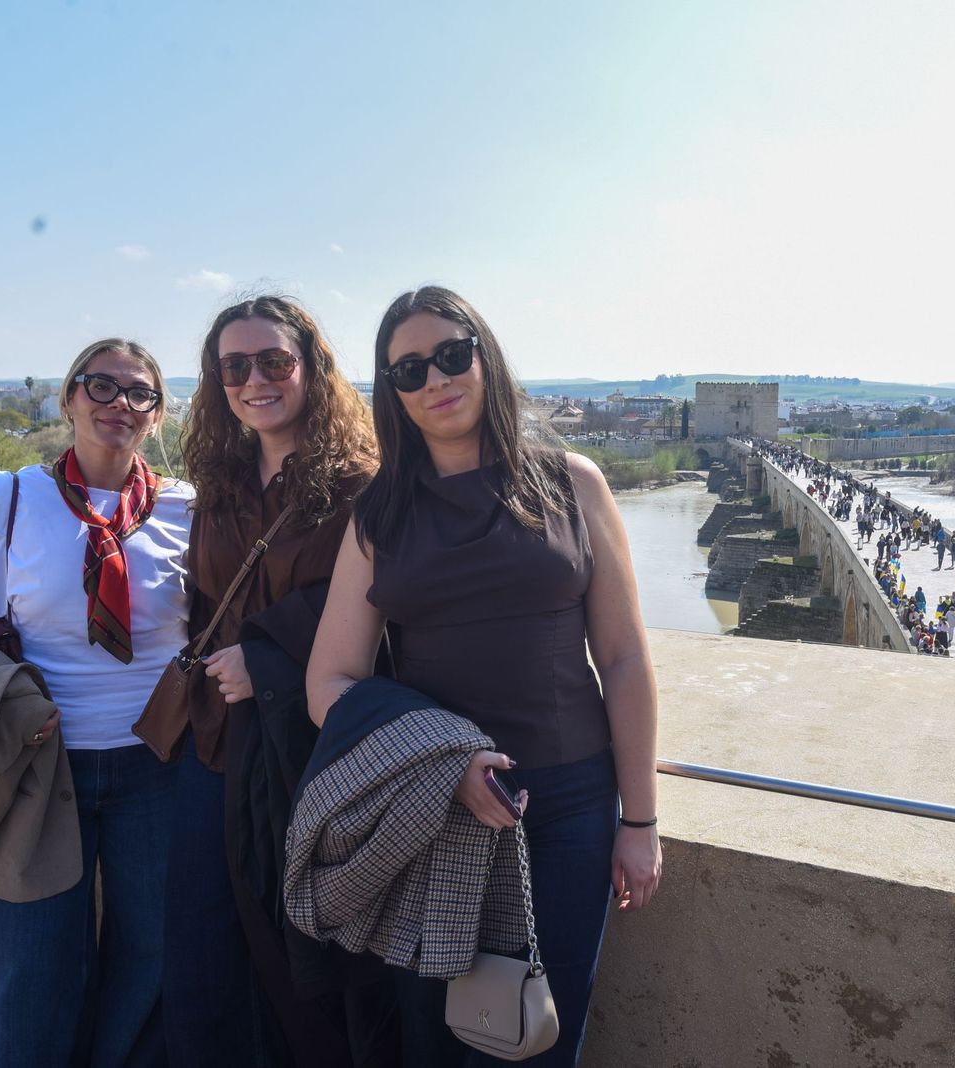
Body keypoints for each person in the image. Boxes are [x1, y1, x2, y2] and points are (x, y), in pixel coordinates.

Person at [304, 286, 661, 1067]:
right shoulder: (378, 516)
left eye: (450, 355)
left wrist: (640, 821)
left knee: (536, 1037)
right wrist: (441, 761)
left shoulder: (572, 482)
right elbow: (329, 681)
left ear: (484, 355)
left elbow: (627, 659)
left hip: (568, 803)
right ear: (391, 394)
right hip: (431, 809)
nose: (434, 379)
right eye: (407, 371)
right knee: (432, 1037)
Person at [0, 339, 191, 1067]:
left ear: (157, 416)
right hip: (36, 769)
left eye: (140, 394)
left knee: (154, 954)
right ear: (67, 399)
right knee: (31, 965)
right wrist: (12, 705)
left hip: (156, 767)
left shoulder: (189, 509)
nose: (118, 404)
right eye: (100, 386)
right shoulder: (3, 498)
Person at [163, 297, 397, 1066]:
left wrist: (262, 656)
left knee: (306, 949)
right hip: (218, 742)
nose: (254, 380)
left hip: (306, 747)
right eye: (235, 367)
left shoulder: (361, 485)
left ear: (311, 369)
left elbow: (377, 614)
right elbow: (204, 595)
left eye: (274, 361)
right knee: (205, 935)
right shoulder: (220, 480)